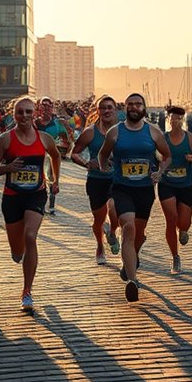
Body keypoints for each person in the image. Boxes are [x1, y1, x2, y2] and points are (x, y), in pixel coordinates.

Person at [0, 96, 60, 312]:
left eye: (29, 112)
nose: (25, 116)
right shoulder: (5, 140)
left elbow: (55, 156)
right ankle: (17, 252)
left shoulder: (44, 138)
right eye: (20, 112)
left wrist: (56, 180)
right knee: (18, 250)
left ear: (34, 113)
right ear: (14, 114)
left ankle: (27, 291)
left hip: (36, 194)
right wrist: (8, 169)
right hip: (12, 197)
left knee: (30, 236)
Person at [97, 93, 171, 303]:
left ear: (144, 108)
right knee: (128, 227)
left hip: (145, 190)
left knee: (138, 234)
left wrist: (160, 172)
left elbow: (167, 156)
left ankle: (128, 263)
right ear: (125, 108)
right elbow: (103, 154)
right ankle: (132, 280)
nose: (134, 107)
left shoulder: (154, 132)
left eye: (138, 104)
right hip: (122, 188)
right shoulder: (115, 132)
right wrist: (105, 170)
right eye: (130, 104)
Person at [70, 95, 121, 265]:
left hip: (117, 179)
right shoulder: (90, 132)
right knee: (99, 219)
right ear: (98, 111)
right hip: (96, 180)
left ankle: (112, 231)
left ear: (115, 110)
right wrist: (86, 163)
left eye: (109, 108)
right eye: (103, 108)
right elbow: (74, 153)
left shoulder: (123, 131)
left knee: (115, 211)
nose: (106, 111)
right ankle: (100, 245)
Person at [157, 106, 192, 274]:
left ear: (183, 120)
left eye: (178, 118)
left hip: (186, 186)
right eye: (172, 117)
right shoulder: (162, 139)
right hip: (166, 185)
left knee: (183, 223)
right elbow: (155, 158)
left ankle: (183, 229)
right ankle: (175, 257)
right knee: (171, 219)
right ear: (168, 119)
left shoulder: (191, 140)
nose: (175, 120)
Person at [36, 97, 72, 216]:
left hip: (51, 154)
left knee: (52, 178)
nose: (45, 108)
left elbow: (67, 139)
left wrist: (64, 148)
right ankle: (40, 204)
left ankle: (51, 206)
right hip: (36, 154)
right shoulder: (34, 122)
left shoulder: (58, 123)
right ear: (39, 107)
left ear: (52, 108)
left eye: (48, 105)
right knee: (39, 179)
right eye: (43, 105)